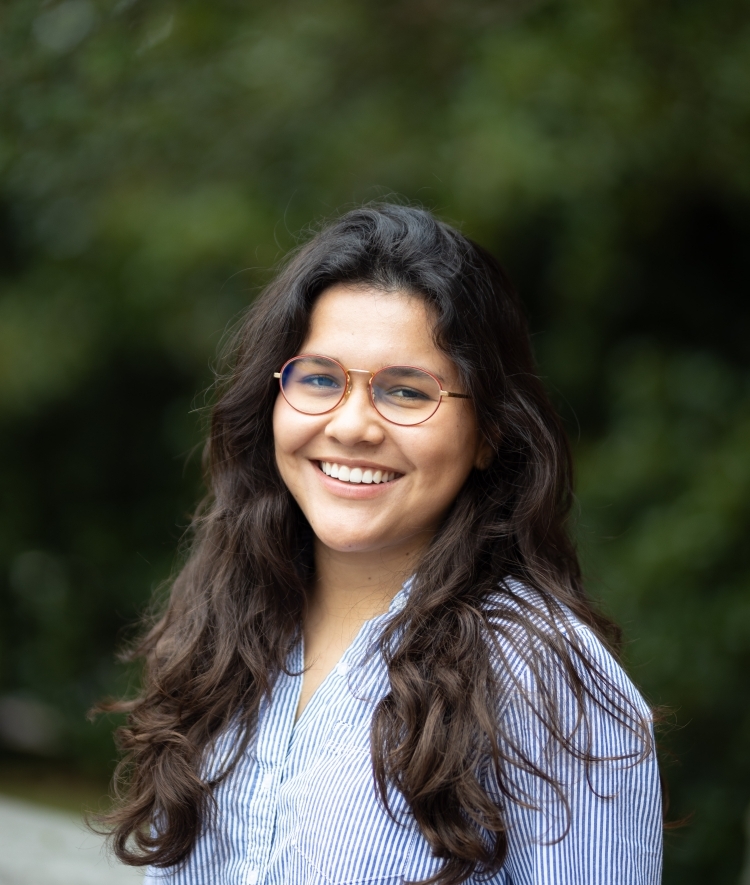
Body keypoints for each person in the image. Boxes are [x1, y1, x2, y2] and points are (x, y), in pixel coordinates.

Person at [102, 204, 663, 884]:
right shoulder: (227, 625)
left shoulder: (542, 676)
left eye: (405, 390)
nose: (353, 425)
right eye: (318, 378)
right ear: (272, 397)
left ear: (488, 433)